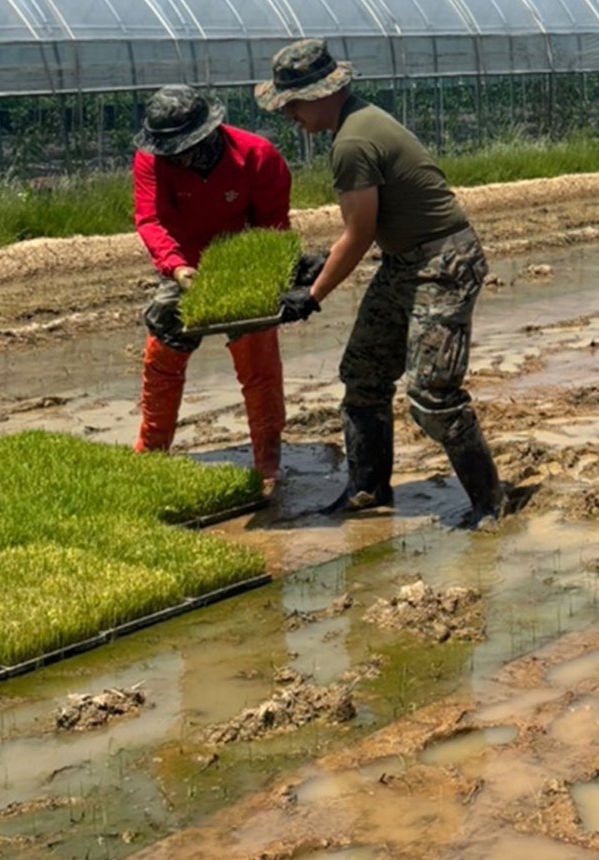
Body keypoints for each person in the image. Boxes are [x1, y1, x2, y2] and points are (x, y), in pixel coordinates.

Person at [254, 38, 501, 524]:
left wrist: (313, 293)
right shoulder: (357, 122)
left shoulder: (352, 141)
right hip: (406, 261)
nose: (289, 116)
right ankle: (367, 489)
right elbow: (372, 223)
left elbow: (360, 232)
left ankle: (490, 501)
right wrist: (323, 261)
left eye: (293, 104)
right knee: (363, 374)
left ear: (323, 93)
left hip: (443, 263)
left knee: (432, 395)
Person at [132, 84, 292, 483]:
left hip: (242, 261)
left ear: (207, 132)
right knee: (164, 341)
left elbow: (272, 228)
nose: (176, 156)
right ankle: (149, 457)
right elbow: (152, 219)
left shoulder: (257, 156)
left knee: (258, 356)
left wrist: (261, 279)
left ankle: (267, 464)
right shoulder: (151, 160)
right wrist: (177, 268)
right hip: (184, 263)